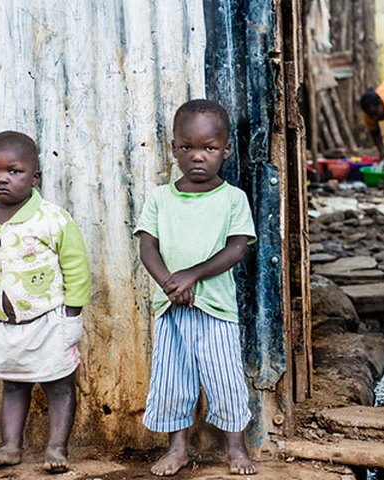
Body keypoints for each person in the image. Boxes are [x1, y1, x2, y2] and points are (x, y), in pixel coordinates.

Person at [134, 99, 257, 476]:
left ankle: (236, 449)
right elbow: (147, 246)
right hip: (171, 309)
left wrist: (192, 275)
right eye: (187, 148)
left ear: (226, 150)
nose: (198, 157)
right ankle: (178, 449)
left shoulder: (233, 199)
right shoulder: (160, 198)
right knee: (173, 381)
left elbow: (236, 248)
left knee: (226, 379)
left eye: (209, 148)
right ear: (174, 149)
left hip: (216, 309)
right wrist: (171, 283)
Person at [0, 131, 91, 473]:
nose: (1, 179)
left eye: (14, 171)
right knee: (12, 384)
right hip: (5, 325)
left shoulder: (52, 219)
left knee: (59, 384)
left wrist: (72, 315)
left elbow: (76, 265)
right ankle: (10, 446)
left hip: (49, 320)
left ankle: (56, 448)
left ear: (35, 177)